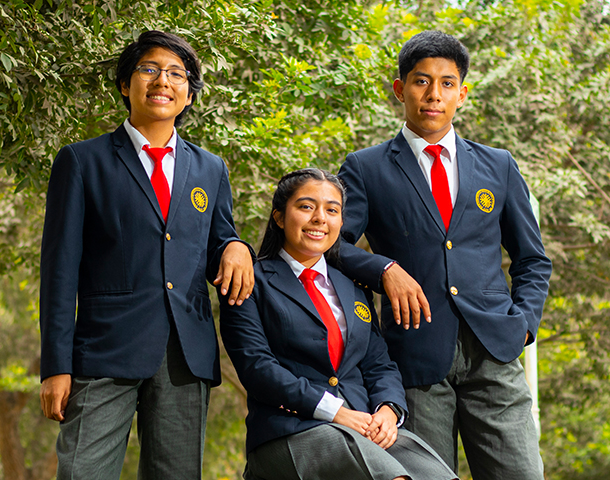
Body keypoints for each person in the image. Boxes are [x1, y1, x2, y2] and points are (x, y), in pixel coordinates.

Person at [334, 31, 553, 479]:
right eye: (421, 81)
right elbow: (328, 247)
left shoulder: (499, 165)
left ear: (462, 94)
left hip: (493, 351)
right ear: (400, 89)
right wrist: (385, 269)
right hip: (414, 357)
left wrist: (524, 326)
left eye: (447, 83)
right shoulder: (365, 168)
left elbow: (532, 258)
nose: (434, 95)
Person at [38, 31, 255, 480]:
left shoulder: (211, 169)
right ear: (125, 84)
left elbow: (220, 238)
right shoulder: (81, 162)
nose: (163, 82)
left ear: (189, 94)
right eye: (150, 70)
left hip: (186, 355)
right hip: (102, 353)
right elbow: (59, 271)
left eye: (177, 74)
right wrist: (55, 366)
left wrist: (237, 246)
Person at [220, 168, 457, 480]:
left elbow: (378, 363)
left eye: (332, 210)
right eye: (306, 207)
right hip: (292, 430)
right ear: (279, 217)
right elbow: (257, 368)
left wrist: (389, 410)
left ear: (342, 222)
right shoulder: (252, 281)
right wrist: (336, 412)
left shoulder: (351, 285)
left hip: (364, 427)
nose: (320, 218)